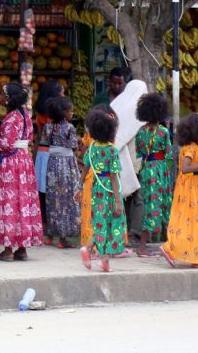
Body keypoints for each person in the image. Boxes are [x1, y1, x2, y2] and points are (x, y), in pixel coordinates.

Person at [0, 83, 43, 261]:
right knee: (24, 202)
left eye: (2, 94)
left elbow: (7, 144)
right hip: (24, 161)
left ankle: (8, 250)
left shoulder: (11, 117)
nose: (0, 97)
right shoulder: (26, 115)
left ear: (8, 98)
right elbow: (29, 139)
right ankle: (22, 249)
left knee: (9, 202)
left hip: (11, 163)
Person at [161, 113, 198, 269]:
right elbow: (185, 169)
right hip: (190, 188)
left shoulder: (195, 146)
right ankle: (170, 249)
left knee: (196, 222)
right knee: (190, 221)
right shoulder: (191, 148)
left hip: (195, 186)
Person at [78, 106, 126, 272]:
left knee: (100, 222)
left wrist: (79, 187)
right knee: (115, 222)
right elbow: (113, 176)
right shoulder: (112, 150)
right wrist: (118, 201)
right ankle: (97, 253)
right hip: (110, 191)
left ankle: (100, 256)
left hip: (96, 189)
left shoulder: (92, 148)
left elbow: (85, 169)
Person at [134, 93, 171, 256]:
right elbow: (168, 153)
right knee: (160, 204)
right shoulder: (163, 131)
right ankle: (143, 246)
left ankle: (161, 243)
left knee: (150, 204)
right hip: (160, 170)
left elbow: (139, 152)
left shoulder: (140, 132)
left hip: (146, 169)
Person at [43, 97, 81, 249]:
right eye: (70, 111)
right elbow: (73, 145)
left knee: (52, 197)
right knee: (65, 198)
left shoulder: (47, 127)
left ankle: (50, 235)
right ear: (64, 113)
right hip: (67, 165)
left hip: (52, 163)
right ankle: (63, 239)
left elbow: (45, 141)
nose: (72, 113)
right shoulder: (70, 127)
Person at [111, 80, 145, 245]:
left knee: (120, 195)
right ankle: (134, 233)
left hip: (115, 156)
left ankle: (119, 231)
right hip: (134, 159)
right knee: (137, 197)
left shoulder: (116, 105)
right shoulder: (141, 111)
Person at [33, 79, 64, 237]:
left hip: (42, 153)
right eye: (62, 92)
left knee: (43, 191)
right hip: (54, 154)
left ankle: (44, 224)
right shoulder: (58, 115)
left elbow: (39, 137)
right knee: (55, 191)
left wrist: (34, 157)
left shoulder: (40, 114)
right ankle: (54, 224)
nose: (63, 95)